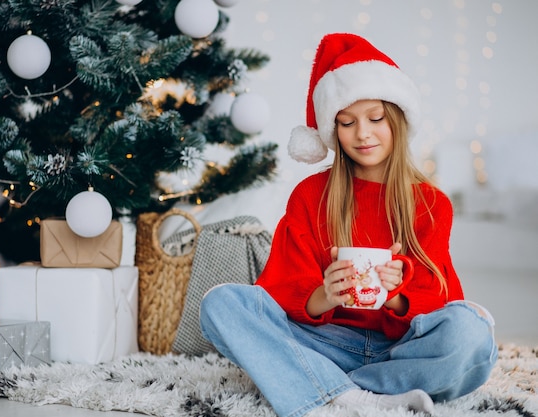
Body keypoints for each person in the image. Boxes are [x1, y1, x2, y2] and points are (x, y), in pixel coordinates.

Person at [199, 33, 497, 417]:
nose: (363, 133)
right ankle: (366, 394)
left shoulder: (431, 203)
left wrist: (393, 293)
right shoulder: (310, 195)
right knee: (220, 304)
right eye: (346, 122)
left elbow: (438, 299)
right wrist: (327, 293)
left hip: (402, 349)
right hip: (324, 342)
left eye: (375, 118)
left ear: (397, 121)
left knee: (470, 331)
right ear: (332, 130)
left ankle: (322, 387)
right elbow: (279, 290)